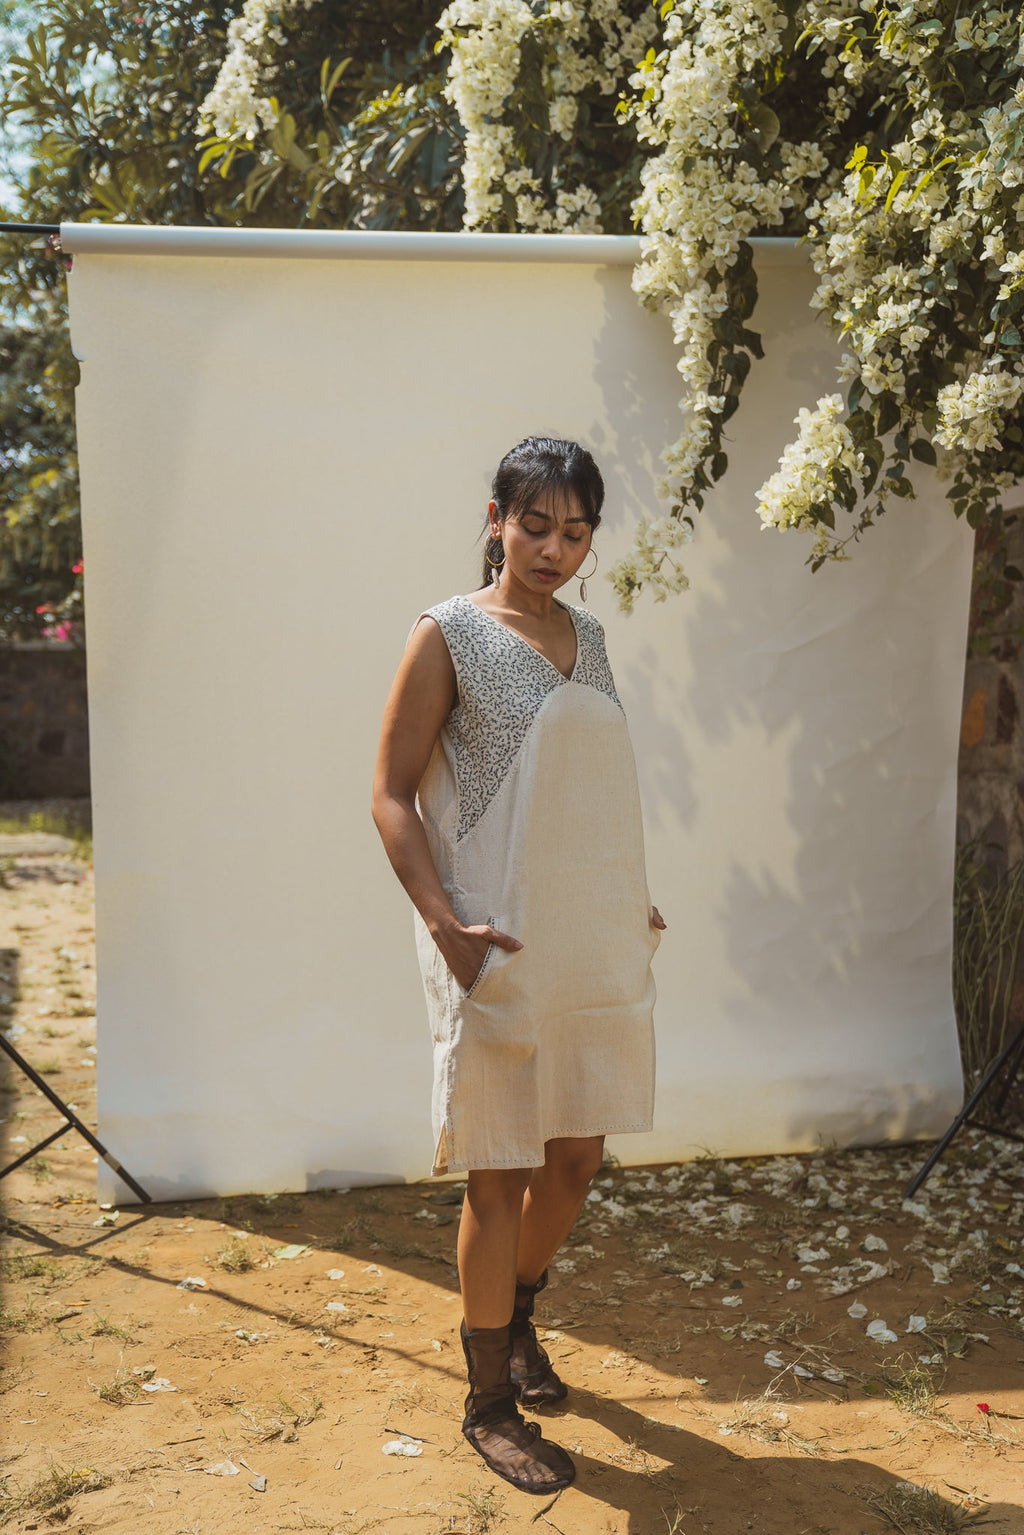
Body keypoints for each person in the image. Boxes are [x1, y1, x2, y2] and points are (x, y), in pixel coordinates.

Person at [371, 436, 665, 1495]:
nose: (553, 549)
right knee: (499, 1168)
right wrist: (444, 921)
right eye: (534, 525)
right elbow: (390, 792)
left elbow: (586, 782)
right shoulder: (446, 632)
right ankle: (488, 1400)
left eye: (575, 532)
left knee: (576, 1156)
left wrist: (626, 892)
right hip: (490, 934)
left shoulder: (590, 637)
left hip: (588, 932)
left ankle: (521, 1311)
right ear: (495, 518)